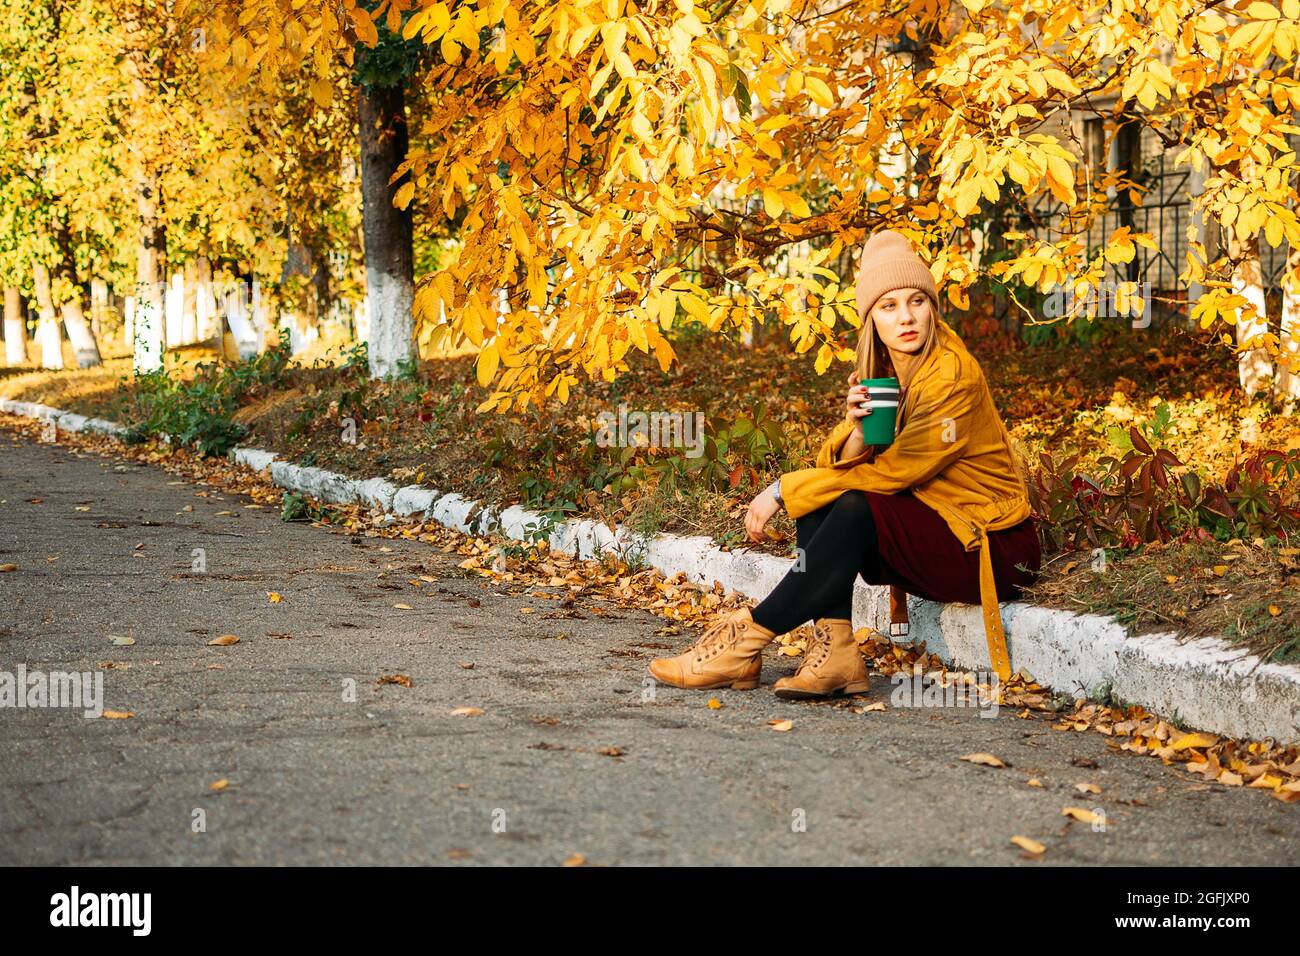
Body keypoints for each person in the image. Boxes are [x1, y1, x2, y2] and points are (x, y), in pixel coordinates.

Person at [648, 229, 1041, 698]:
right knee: (825, 501)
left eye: (917, 301)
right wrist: (856, 432)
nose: (906, 317)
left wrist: (781, 490)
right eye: (889, 306)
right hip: (945, 532)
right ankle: (837, 655)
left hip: (994, 550)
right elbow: (840, 466)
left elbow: (899, 472)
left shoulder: (951, 374)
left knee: (847, 503)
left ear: (933, 307)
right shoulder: (889, 371)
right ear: (871, 318)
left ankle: (746, 637)